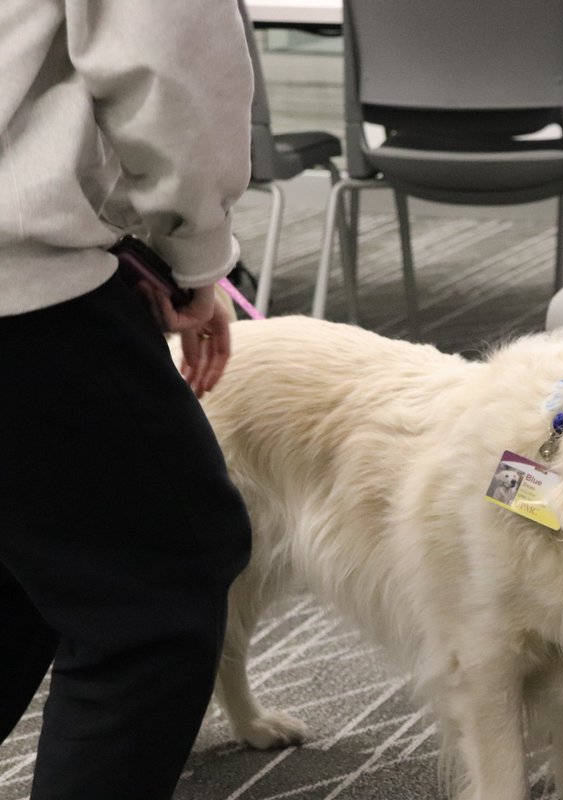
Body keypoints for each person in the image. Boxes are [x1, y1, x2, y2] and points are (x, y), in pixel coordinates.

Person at [0, 2, 255, 797]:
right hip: (22, 293)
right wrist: (194, 250)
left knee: (31, 561)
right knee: (155, 599)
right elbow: (167, 58)